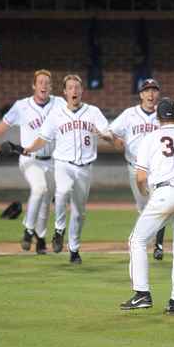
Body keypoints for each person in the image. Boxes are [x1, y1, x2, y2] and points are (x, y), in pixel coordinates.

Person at [120, 97, 174, 315]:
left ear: (158, 117)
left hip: (165, 193)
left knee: (137, 240)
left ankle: (142, 293)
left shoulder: (151, 138)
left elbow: (140, 176)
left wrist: (144, 190)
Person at [24, 74, 109, 264]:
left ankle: (74, 250)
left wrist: (105, 136)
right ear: (64, 92)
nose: (74, 91)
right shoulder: (56, 114)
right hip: (63, 164)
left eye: (77, 87)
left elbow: (108, 132)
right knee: (61, 191)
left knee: (79, 212)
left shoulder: (92, 111)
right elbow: (43, 138)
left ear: (82, 91)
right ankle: (59, 229)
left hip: (85, 168)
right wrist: (29, 148)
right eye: (70, 88)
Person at [0, 69, 59, 254]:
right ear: (34, 86)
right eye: (40, 82)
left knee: (46, 202)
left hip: (53, 161)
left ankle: (41, 238)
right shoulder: (22, 106)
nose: (44, 85)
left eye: (47, 82)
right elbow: (5, 122)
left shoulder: (59, 103)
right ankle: (28, 231)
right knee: (39, 189)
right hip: (30, 159)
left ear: (51, 87)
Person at [107, 78, 166, 260]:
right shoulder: (129, 114)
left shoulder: (163, 114)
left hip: (158, 168)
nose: (150, 94)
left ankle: (158, 245)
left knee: (160, 205)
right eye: (147, 90)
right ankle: (145, 239)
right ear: (141, 94)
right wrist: (116, 141)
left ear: (158, 94)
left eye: (154, 90)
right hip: (135, 167)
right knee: (143, 207)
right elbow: (111, 131)